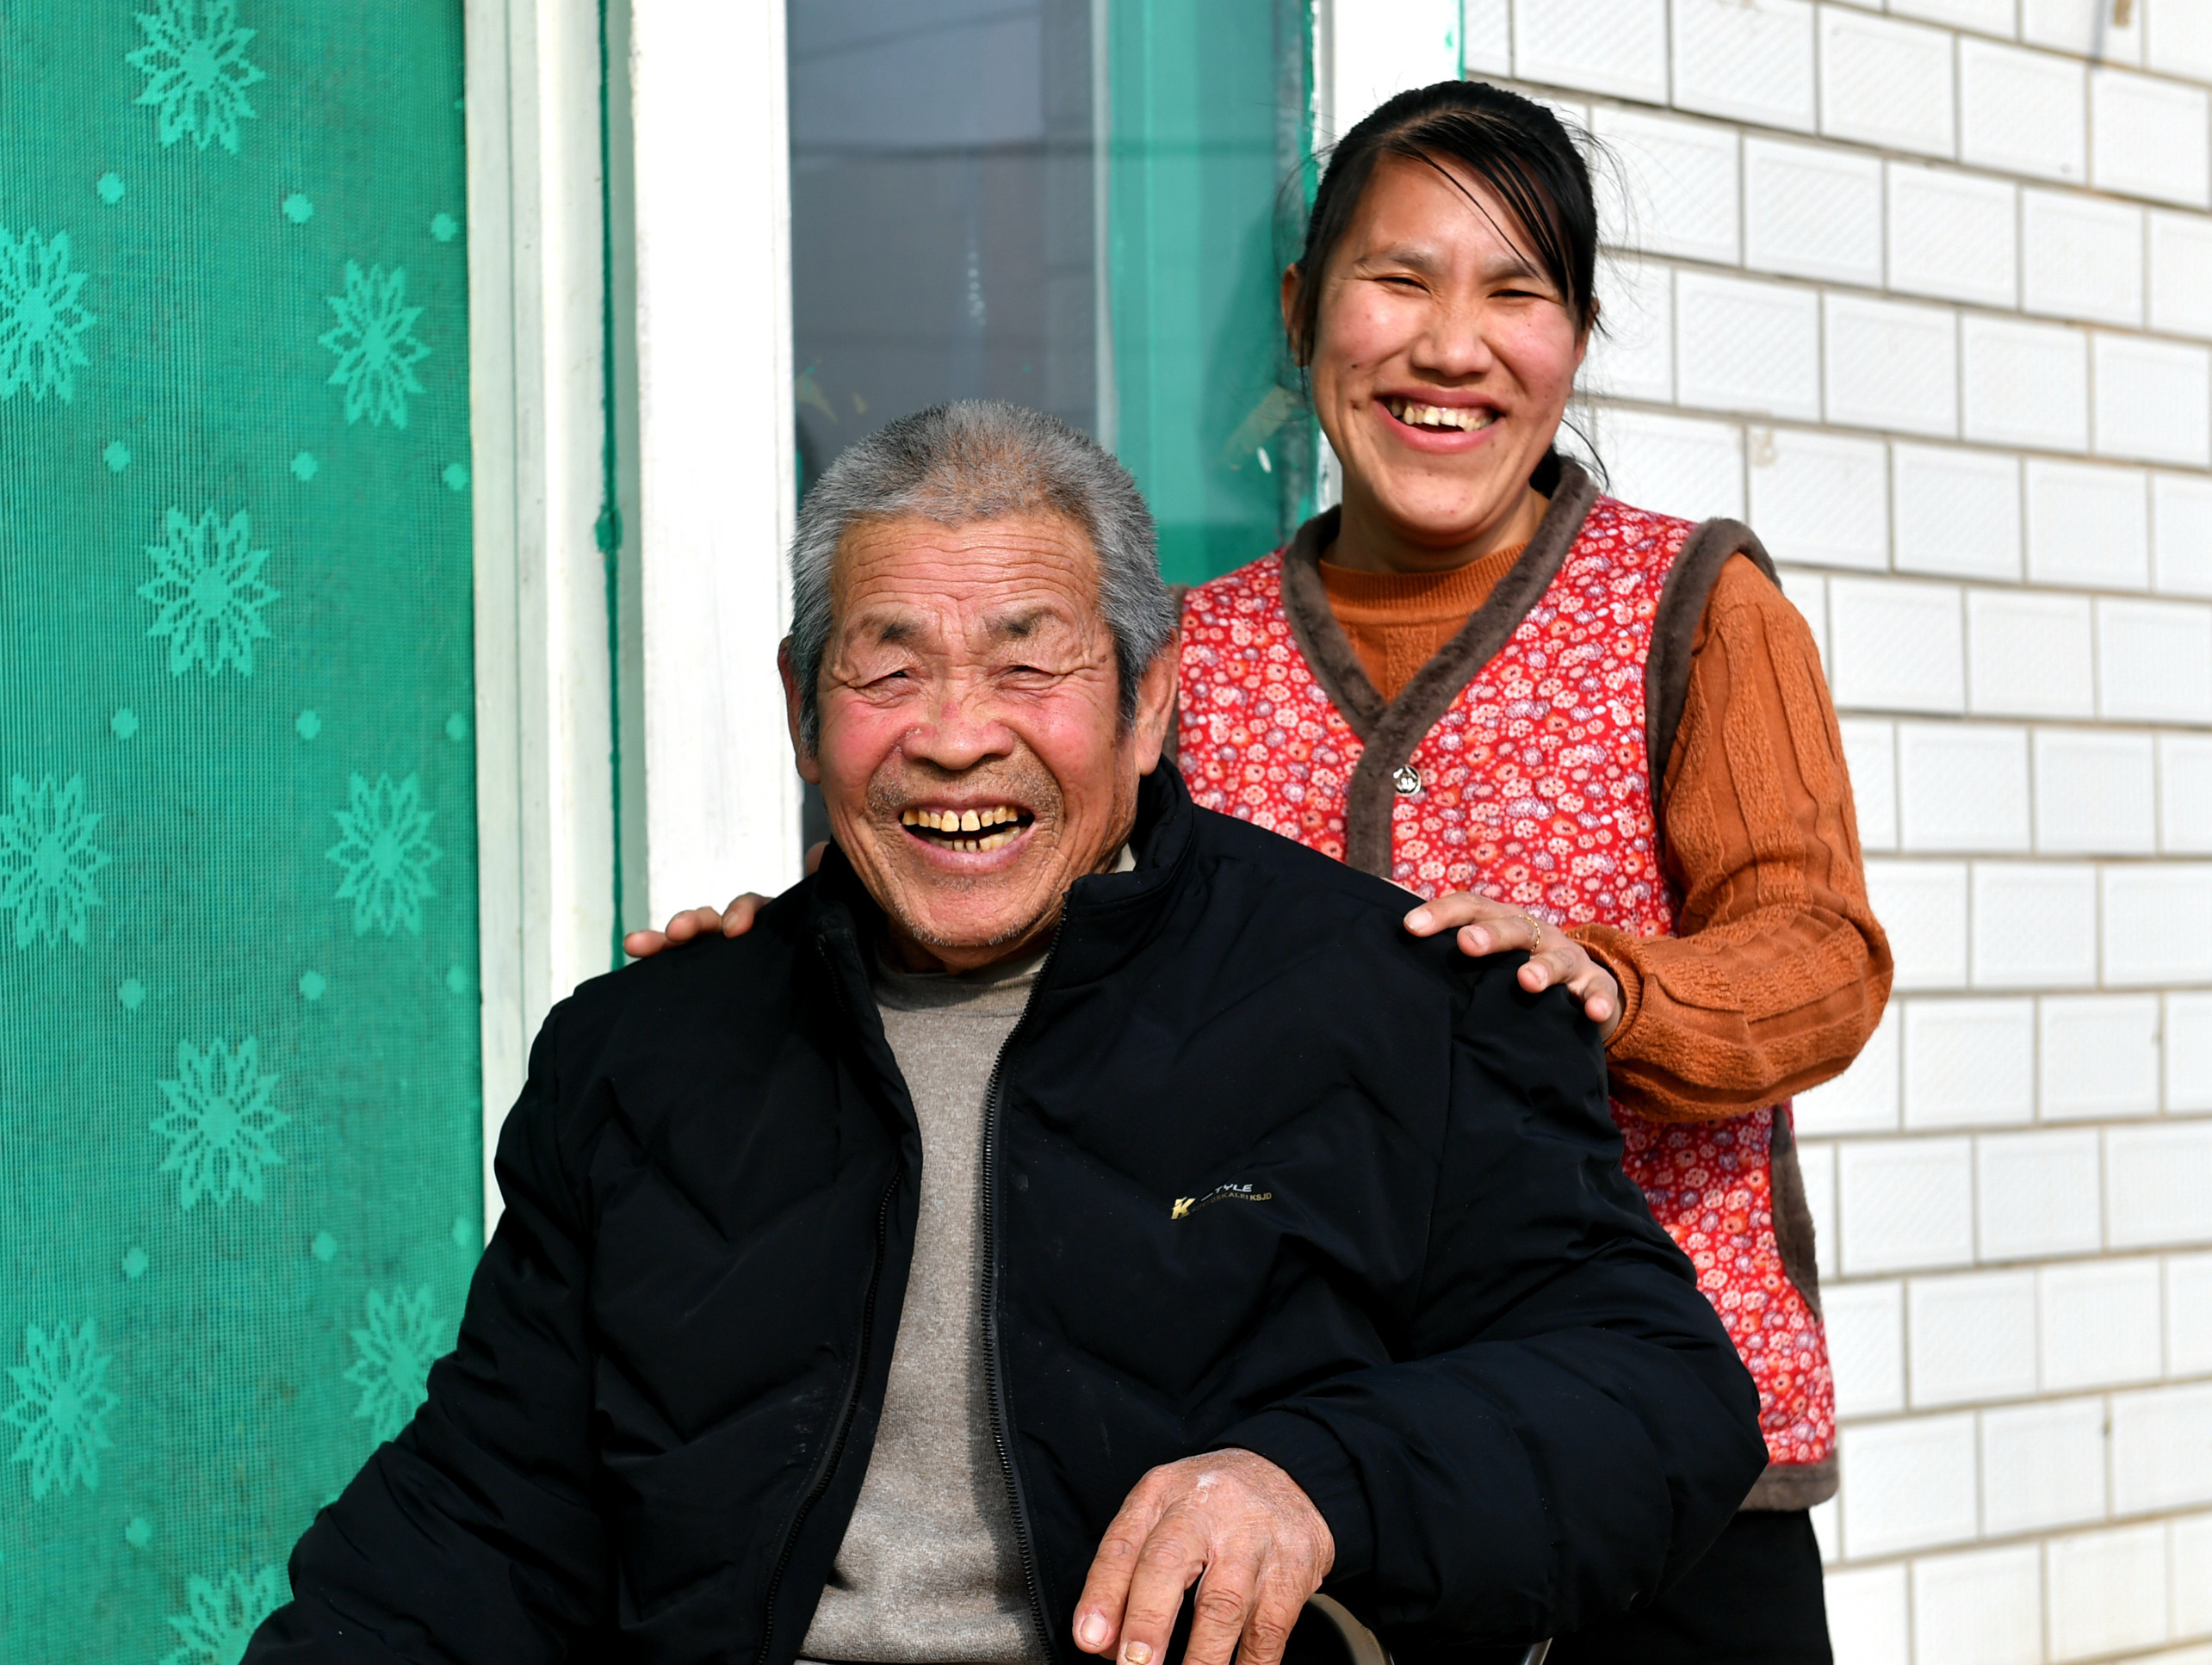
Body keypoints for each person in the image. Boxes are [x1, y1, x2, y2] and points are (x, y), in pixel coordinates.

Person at [630, 82, 1891, 1664]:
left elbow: (1822, 955)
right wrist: (789, 953)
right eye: (1398, 280)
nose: (1451, 346)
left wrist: (1613, 982)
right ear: (1301, 312)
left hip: (1632, 1443)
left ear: (1575, 338)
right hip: (1278, 1476)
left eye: (1516, 294)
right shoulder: (1185, 652)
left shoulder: (1688, 603)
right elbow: (1001, 884)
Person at [245, 401, 1767, 1665]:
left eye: (1030, 661)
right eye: (888, 666)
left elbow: (1657, 1396)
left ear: (1150, 700)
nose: (957, 734)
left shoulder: (1404, 1008)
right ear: (802, 708)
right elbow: (482, 1517)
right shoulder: (649, 1055)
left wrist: (1321, 1475)